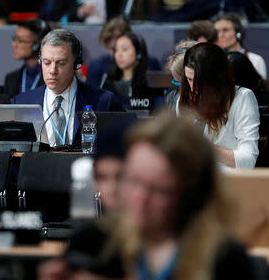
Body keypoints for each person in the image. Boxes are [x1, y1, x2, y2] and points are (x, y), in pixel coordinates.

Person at [38, 112, 257, 280]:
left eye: (159, 190)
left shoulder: (225, 259)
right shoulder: (93, 243)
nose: (139, 199)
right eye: (133, 181)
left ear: (193, 193)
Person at [11, 29, 123, 147]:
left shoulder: (103, 102)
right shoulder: (21, 103)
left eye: (61, 63)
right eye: (47, 62)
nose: (52, 71)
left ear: (76, 64)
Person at [177, 42, 260, 169]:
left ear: (216, 78)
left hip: (229, 181)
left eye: (200, 81)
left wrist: (205, 148)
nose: (193, 88)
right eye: (189, 80)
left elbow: (248, 161)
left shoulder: (242, 98)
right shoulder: (184, 100)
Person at [0, 19, 50, 103]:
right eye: (14, 39)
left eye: (20, 40)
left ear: (36, 45)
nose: (14, 44)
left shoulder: (52, 77)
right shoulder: (11, 79)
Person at [102, 32, 149, 109]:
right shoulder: (108, 81)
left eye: (124, 49)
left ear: (138, 53)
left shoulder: (149, 82)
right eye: (116, 50)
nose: (119, 54)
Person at [214, 13, 267, 79]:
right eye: (217, 32)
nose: (220, 35)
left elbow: (261, 87)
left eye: (225, 30)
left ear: (238, 33)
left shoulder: (255, 60)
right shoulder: (215, 61)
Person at [85, 17, 131, 88]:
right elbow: (89, 98)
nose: (112, 53)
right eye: (109, 49)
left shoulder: (149, 65)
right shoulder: (97, 67)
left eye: (115, 49)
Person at [163, 40, 197, 112]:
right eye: (177, 82)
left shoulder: (214, 100)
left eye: (190, 79)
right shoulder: (171, 97)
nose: (182, 88)